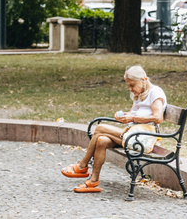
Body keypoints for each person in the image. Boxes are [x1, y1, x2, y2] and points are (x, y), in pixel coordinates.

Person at [61, 65, 166, 193]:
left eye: (132, 85)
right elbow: (136, 115)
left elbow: (158, 117)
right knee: (102, 140)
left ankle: (82, 165)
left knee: (100, 128)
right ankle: (93, 182)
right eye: (129, 85)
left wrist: (132, 118)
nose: (130, 89)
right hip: (132, 134)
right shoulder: (140, 94)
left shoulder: (155, 92)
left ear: (143, 80)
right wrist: (124, 116)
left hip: (143, 137)